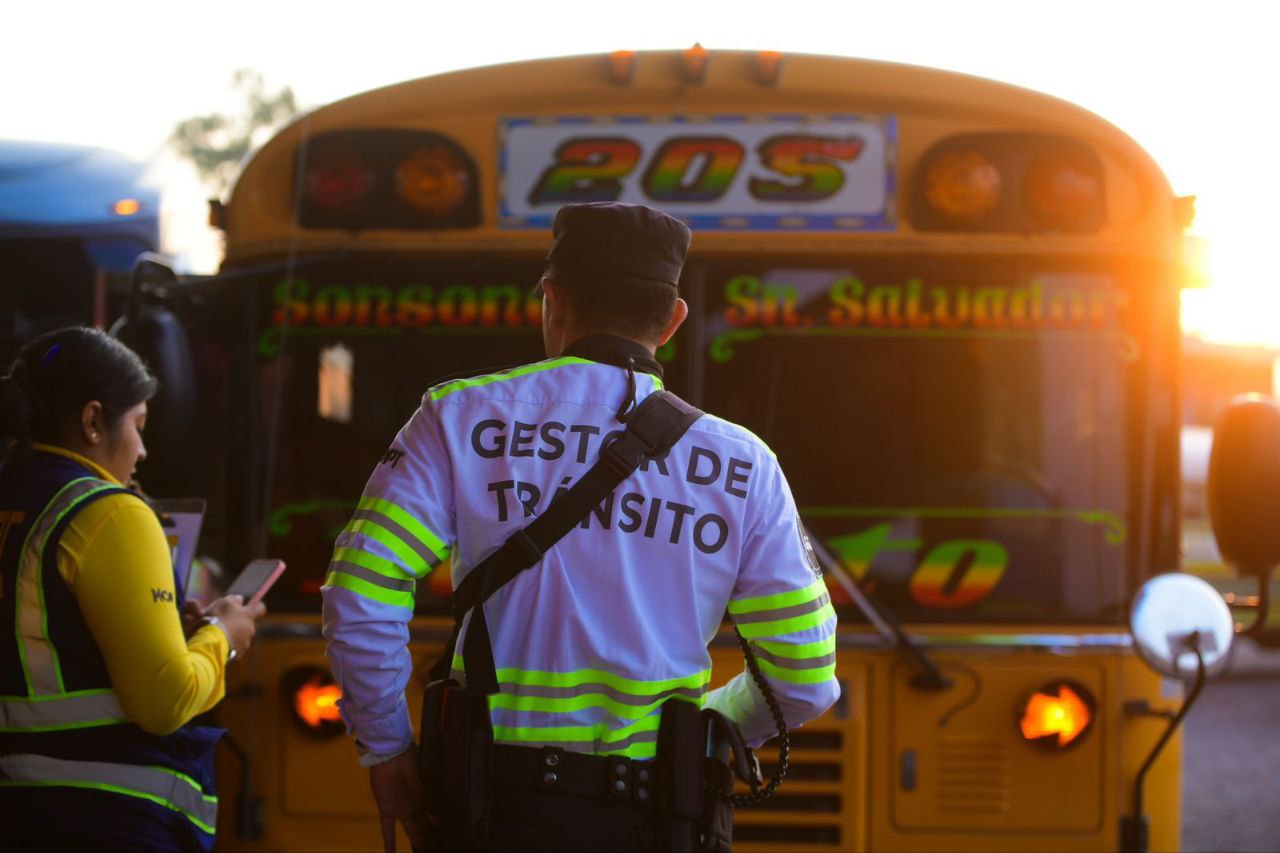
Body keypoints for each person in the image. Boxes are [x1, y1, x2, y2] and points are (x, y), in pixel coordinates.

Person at [323, 203, 840, 851]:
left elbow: (360, 590)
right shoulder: (746, 465)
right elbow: (805, 677)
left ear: (552, 300)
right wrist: (704, 727)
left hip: (491, 809)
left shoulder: (456, 417)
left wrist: (387, 746)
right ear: (674, 319)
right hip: (660, 818)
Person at [0, 326, 265, 851]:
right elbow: (166, 701)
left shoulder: (16, 498)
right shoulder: (110, 513)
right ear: (94, 420)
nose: (142, 451)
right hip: (108, 816)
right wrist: (224, 634)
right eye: (139, 425)